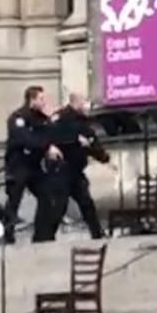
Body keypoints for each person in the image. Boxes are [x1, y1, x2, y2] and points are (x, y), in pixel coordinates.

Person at [3, 86, 64, 244]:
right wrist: (46, 147)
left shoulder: (41, 118)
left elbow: (50, 135)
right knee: (14, 200)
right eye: (41, 99)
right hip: (18, 165)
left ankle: (41, 235)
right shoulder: (18, 118)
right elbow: (26, 139)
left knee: (46, 196)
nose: (44, 102)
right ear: (32, 100)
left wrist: (51, 121)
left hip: (34, 166)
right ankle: (7, 236)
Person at [47, 93, 110, 240]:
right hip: (62, 170)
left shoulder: (83, 122)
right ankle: (47, 236)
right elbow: (52, 136)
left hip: (76, 171)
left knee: (86, 203)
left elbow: (91, 141)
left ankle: (97, 233)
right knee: (59, 206)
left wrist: (102, 156)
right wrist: (75, 139)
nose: (87, 106)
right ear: (77, 102)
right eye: (85, 102)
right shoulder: (61, 118)